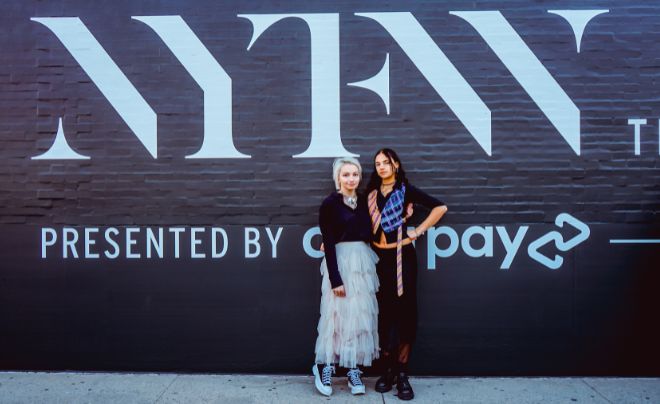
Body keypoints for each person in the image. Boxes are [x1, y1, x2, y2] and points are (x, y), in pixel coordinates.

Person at [366, 148, 447, 401]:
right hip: (379, 258)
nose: (381, 167)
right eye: (378, 163)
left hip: (402, 257)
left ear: (396, 165)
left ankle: (402, 373)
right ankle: (387, 371)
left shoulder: (406, 191)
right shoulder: (370, 195)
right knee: (384, 315)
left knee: (405, 313)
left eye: (386, 163)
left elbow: (440, 208)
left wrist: (418, 230)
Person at [312, 157, 380, 397]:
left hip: (362, 261)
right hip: (340, 261)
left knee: (357, 316)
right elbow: (328, 243)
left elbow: (375, 229)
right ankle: (324, 366)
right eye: (346, 175)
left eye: (355, 174)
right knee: (335, 315)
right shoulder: (330, 204)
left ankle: (353, 369)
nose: (351, 179)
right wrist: (335, 279)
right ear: (338, 178)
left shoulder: (365, 201)